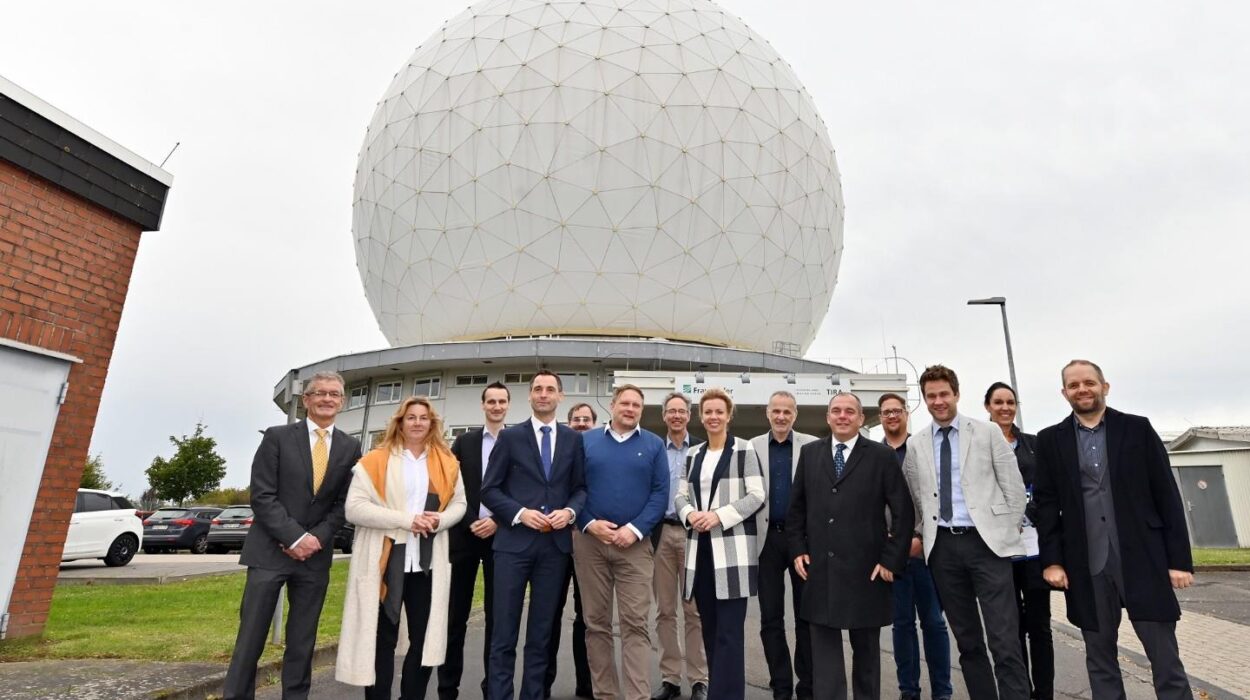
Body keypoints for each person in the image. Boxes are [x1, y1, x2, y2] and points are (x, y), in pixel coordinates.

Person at [1034, 360, 1193, 699]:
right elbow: (1046, 505)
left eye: (1089, 382)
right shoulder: (1050, 440)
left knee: (1165, 658)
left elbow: (1166, 494)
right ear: (1064, 393)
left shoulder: (1137, 428)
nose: (1082, 389)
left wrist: (1179, 561)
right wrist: (1053, 561)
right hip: (1086, 564)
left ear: (1104, 386)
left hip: (1143, 560)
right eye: (1074, 385)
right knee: (1100, 658)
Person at [224, 371, 362, 700]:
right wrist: (295, 538)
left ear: (342, 402)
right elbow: (262, 495)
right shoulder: (277, 437)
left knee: (302, 642)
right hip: (269, 553)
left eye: (334, 394)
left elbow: (345, 502)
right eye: (320, 393)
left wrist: (315, 539)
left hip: (315, 558)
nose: (327, 399)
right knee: (251, 638)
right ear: (306, 400)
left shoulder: (350, 446)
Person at [900, 365, 1029, 700]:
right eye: (931, 396)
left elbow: (1014, 490)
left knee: (1004, 640)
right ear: (924, 400)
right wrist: (921, 535)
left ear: (956, 394)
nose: (938, 401)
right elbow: (914, 497)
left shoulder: (987, 433)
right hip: (943, 549)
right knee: (968, 642)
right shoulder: (916, 444)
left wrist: (1004, 531)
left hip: (987, 546)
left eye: (944, 394)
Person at [336, 397, 468, 699]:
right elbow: (354, 509)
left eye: (424, 417)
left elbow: (460, 504)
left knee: (424, 640)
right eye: (411, 417)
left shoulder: (447, 463)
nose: (417, 422)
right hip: (385, 561)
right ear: (400, 422)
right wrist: (407, 520)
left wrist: (440, 520)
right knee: (382, 638)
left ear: (432, 424)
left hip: (427, 564)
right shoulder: (375, 460)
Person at [788, 393, 914, 700]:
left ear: (860, 418)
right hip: (821, 570)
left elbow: (903, 511)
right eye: (836, 411)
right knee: (825, 658)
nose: (842, 416)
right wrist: (798, 549)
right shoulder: (810, 453)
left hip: (867, 572)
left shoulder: (881, 456)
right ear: (828, 417)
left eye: (849, 411)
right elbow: (796, 509)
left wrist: (891, 560)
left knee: (867, 655)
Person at [481, 370, 587, 700]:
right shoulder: (510, 437)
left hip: (554, 550)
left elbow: (580, 488)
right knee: (503, 634)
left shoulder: (573, 439)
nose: (543, 394)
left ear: (560, 396)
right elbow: (489, 490)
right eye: (538, 389)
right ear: (529, 396)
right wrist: (519, 513)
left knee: (542, 635)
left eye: (550, 389)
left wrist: (569, 512)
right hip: (512, 547)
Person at [575, 385, 670, 700]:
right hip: (590, 544)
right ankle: (605, 694)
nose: (630, 409)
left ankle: (637, 696)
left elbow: (660, 493)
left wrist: (635, 529)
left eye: (636, 405)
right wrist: (589, 523)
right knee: (596, 624)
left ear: (641, 410)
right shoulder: (586, 441)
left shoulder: (654, 445)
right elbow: (572, 487)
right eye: (625, 403)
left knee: (635, 624)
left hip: (635, 547)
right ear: (612, 405)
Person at [675, 388, 765, 700]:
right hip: (699, 551)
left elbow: (757, 495)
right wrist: (690, 515)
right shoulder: (693, 454)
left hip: (731, 553)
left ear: (729, 416)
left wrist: (717, 516)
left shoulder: (744, 449)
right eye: (708, 412)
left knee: (729, 633)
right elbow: (680, 495)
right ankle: (719, 691)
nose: (713, 417)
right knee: (711, 630)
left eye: (719, 412)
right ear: (701, 417)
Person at [879, 393, 951, 700]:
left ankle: (942, 692)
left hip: (925, 551)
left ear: (906, 413)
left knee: (934, 622)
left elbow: (937, 494)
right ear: (880, 417)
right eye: (886, 412)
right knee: (902, 625)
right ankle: (909, 691)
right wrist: (887, 544)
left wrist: (920, 538)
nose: (892, 416)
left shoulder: (923, 449)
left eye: (897, 410)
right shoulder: (873, 454)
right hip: (890, 554)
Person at [440, 382, 509, 699]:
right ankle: (447, 688)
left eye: (501, 401)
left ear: (508, 405)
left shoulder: (516, 442)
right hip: (464, 537)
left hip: (501, 537)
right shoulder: (464, 442)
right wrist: (471, 521)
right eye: (491, 401)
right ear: (483, 405)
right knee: (455, 618)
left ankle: (492, 688)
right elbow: (451, 486)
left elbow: (521, 487)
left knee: (497, 619)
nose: (496, 406)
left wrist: (497, 520)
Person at [984, 382, 1053, 700]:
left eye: (1010, 402)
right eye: (998, 402)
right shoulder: (978, 445)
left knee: (1040, 625)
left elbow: (1047, 488)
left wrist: (1026, 509)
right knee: (1011, 629)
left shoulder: (1034, 445)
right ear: (988, 407)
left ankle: (1045, 692)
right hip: (999, 550)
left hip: (1034, 547)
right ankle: (1019, 691)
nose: (1005, 408)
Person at [749, 391, 818, 700]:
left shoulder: (812, 446)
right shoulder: (752, 447)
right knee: (771, 618)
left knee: (806, 616)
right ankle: (781, 686)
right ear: (767, 413)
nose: (781, 416)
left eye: (787, 411)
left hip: (802, 541)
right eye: (776, 411)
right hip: (767, 542)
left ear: (795, 414)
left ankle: (807, 686)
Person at [651, 393, 709, 700]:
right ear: (664, 416)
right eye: (671, 411)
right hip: (660, 535)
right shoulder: (653, 449)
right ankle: (670, 679)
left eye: (681, 411)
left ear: (689, 415)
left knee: (694, 611)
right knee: (664, 611)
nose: (676, 415)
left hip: (691, 536)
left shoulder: (702, 449)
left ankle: (699, 679)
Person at [545, 403, 595, 699]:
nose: (581, 423)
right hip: (557, 540)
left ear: (594, 424)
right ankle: (543, 683)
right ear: (568, 423)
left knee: (587, 615)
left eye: (586, 419)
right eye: (576, 419)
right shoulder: (557, 450)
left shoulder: (600, 452)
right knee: (549, 613)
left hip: (590, 541)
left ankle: (586, 683)